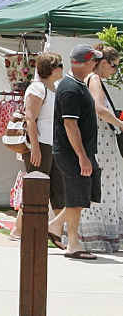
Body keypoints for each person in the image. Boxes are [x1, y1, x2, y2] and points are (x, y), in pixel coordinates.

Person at [47, 44, 102, 260]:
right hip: (72, 153)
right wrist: (82, 156)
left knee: (81, 196)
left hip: (78, 152)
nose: (95, 64)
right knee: (76, 197)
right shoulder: (70, 88)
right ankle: (73, 243)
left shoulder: (77, 84)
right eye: (93, 61)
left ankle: (55, 225)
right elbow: (70, 125)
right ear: (85, 62)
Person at [74, 44, 123, 253]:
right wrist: (119, 124)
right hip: (101, 143)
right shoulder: (94, 79)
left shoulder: (87, 79)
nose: (114, 72)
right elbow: (99, 108)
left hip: (96, 140)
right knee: (105, 186)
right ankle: (100, 235)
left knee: (96, 186)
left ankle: (86, 233)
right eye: (113, 66)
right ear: (102, 63)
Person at [10, 52, 62, 240]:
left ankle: (57, 232)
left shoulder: (53, 88)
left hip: (52, 144)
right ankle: (18, 229)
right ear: (52, 69)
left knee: (56, 188)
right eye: (59, 65)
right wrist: (36, 147)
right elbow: (31, 119)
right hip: (41, 144)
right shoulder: (37, 89)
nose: (62, 69)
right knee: (36, 187)